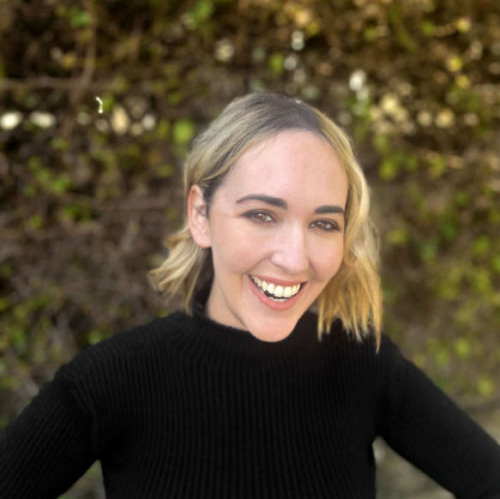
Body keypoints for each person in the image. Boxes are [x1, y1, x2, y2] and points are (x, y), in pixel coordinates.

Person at [1, 92, 499, 498]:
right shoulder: (111, 379)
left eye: (324, 223)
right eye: (262, 215)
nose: (295, 257)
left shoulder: (363, 366)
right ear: (200, 214)